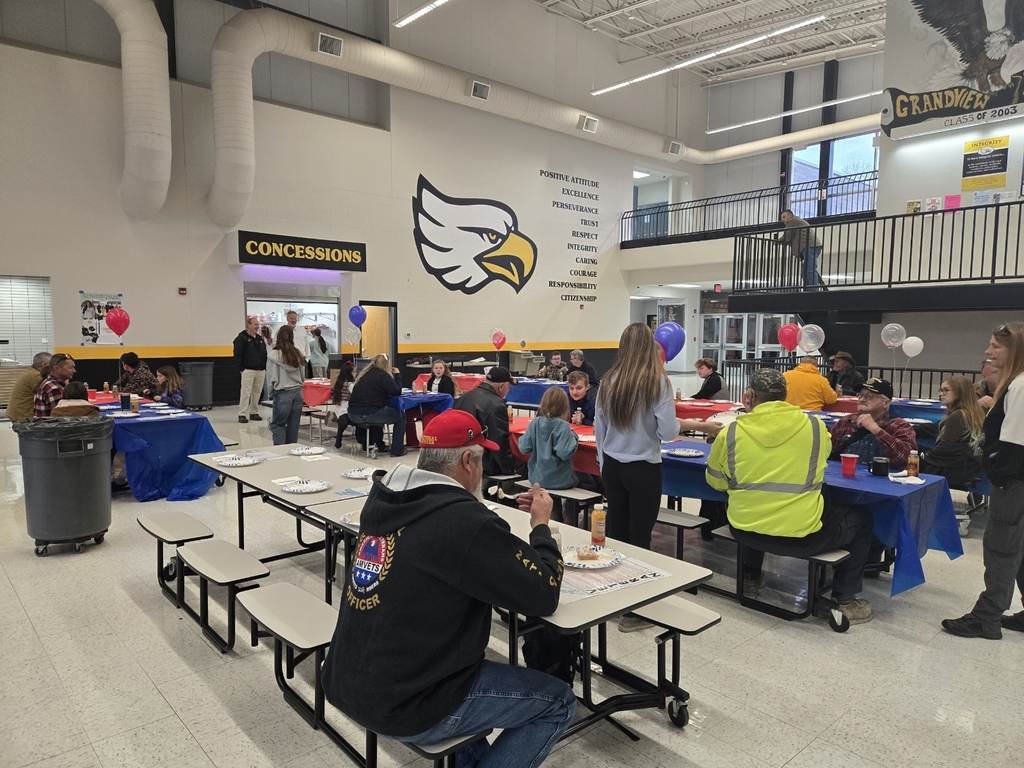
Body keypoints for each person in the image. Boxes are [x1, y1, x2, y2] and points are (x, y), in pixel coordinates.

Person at [321, 410, 574, 768]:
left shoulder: (385, 500)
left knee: (470, 679)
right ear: (468, 461)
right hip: (408, 703)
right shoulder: (463, 522)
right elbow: (543, 594)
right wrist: (542, 527)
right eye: (481, 461)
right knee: (558, 702)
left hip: (345, 678)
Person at [706, 369, 874, 624]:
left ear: (751, 396)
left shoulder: (731, 432)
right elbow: (821, 466)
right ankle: (845, 600)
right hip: (803, 537)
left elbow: (716, 482)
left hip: (744, 530)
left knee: (755, 505)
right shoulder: (815, 428)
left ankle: (751, 578)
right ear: (785, 395)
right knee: (862, 518)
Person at [595, 323, 683, 632]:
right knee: (640, 535)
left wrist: (603, 462)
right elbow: (668, 432)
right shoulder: (657, 381)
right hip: (643, 467)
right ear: (650, 346)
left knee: (617, 530)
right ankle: (634, 612)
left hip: (613, 465)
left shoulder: (609, 379)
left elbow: (600, 426)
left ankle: (615, 596)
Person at [943, 322, 1024, 640]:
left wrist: (997, 474)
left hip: (1014, 483)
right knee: (1018, 547)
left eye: (996, 346)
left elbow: (1013, 447)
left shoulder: (1019, 386)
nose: (988, 351)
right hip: (1016, 480)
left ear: (1015, 349)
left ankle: (986, 617)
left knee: (1001, 548)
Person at [829, 378, 917, 470]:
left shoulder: (899, 426)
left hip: (883, 478)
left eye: (869, 396)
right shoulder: (846, 422)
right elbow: (825, 448)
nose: (862, 399)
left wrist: (876, 430)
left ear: (886, 403)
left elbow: (907, 459)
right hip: (844, 476)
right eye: (860, 395)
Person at [518, 387, 579, 519]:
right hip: (560, 481)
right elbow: (564, 453)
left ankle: (554, 516)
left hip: (536, 478)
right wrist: (573, 437)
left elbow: (523, 448)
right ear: (564, 406)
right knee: (588, 481)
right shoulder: (563, 426)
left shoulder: (534, 423)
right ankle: (571, 515)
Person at [916, 375, 984, 489]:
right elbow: (933, 429)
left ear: (959, 392)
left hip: (953, 469)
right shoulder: (972, 413)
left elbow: (945, 448)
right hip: (967, 466)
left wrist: (923, 456)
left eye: (946, 390)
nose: (941, 394)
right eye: (941, 390)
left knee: (909, 453)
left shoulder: (958, 415)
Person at [453, 367, 516, 479]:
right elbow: (499, 442)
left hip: (458, 456)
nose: (509, 390)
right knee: (523, 463)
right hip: (482, 463)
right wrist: (510, 469)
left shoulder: (464, 397)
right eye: (509, 387)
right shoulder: (496, 405)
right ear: (501, 386)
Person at [348, 353, 405, 457]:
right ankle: (397, 449)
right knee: (400, 415)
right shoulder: (383, 376)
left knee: (380, 412)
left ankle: (380, 445)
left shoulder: (364, 374)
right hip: (367, 414)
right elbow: (396, 391)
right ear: (387, 364)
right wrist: (397, 375)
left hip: (352, 413)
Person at [266, 325, 306, 445]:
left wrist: (270, 393)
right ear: (292, 337)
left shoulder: (273, 355)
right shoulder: (297, 354)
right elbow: (302, 375)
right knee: (293, 426)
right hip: (297, 393)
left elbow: (270, 376)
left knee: (278, 425)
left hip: (283, 392)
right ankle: (291, 450)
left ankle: (280, 452)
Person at [777, 208, 824, 290]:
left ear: (790, 216)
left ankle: (812, 290)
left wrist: (777, 241)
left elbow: (787, 236)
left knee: (809, 269)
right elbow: (791, 238)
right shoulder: (798, 221)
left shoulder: (792, 221)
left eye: (784, 217)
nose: (782, 220)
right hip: (812, 245)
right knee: (806, 269)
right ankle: (810, 289)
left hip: (809, 246)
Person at [233, 316, 267, 424]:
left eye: (258, 325)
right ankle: (242, 414)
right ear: (248, 325)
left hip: (260, 369)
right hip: (248, 369)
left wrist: (264, 366)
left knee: (257, 392)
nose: (257, 326)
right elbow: (238, 354)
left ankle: (254, 412)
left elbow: (264, 353)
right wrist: (242, 369)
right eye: (255, 324)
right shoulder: (241, 338)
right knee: (246, 392)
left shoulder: (260, 339)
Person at [8, 352, 51, 422]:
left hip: (18, 411)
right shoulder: (35, 376)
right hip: (22, 415)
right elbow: (49, 390)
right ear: (44, 364)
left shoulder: (31, 371)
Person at [33, 353, 76, 417]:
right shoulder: (53, 388)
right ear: (57, 368)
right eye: (70, 368)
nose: (74, 371)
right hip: (50, 423)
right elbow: (61, 416)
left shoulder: (50, 382)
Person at [331, 362, 355, 449]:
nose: (355, 374)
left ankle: (338, 438)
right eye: (354, 372)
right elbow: (356, 396)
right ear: (349, 374)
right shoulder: (350, 385)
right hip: (348, 409)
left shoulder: (338, 384)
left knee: (342, 419)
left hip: (339, 409)